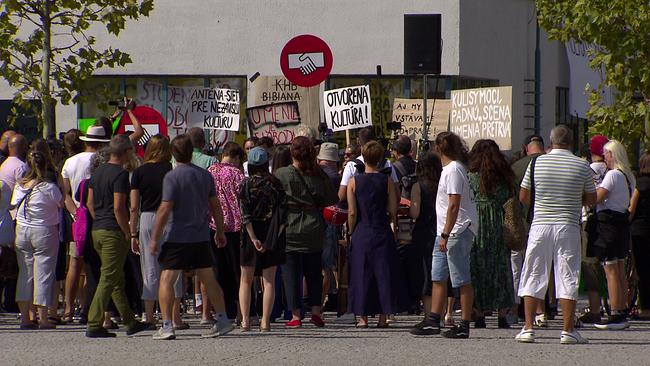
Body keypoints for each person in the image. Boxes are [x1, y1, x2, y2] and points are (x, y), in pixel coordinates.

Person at [516, 125, 596, 344]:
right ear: (571, 142)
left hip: (540, 224)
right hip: (568, 225)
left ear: (551, 142)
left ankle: (529, 327)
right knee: (568, 275)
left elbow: (524, 196)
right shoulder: (582, 165)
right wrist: (572, 200)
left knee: (533, 272)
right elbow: (591, 199)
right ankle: (568, 330)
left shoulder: (536, 163)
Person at [149, 134, 233, 340]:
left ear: (173, 153)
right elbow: (215, 206)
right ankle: (222, 319)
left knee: (167, 278)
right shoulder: (205, 175)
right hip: (200, 234)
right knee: (208, 278)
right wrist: (220, 231)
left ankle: (167, 324)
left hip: (177, 235)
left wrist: (154, 237)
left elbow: (165, 208)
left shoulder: (172, 176)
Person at [410, 132, 477, 339]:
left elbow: (454, 204)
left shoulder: (454, 170)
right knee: (438, 276)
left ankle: (465, 323)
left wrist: (446, 234)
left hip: (455, 230)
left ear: (439, 149)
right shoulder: (448, 169)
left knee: (461, 278)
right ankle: (433, 319)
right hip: (444, 232)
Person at [85, 135, 148, 338]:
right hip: (113, 230)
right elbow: (120, 207)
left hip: (98, 229)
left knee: (116, 278)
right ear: (127, 152)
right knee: (109, 277)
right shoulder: (120, 175)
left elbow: (89, 203)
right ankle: (94, 322)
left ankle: (129, 321)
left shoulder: (97, 172)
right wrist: (128, 232)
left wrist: (99, 219)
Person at [275, 136, 338, 328]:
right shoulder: (319, 174)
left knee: (291, 273)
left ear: (292, 153)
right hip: (313, 227)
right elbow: (330, 199)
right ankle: (317, 311)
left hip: (290, 227)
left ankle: (295, 315)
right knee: (314, 271)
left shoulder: (281, 174)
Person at [347, 141, 406, 327]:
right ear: (381, 159)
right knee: (383, 273)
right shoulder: (387, 181)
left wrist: (350, 230)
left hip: (362, 229)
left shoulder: (353, 181)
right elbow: (393, 209)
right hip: (381, 228)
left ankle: (362, 317)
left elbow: (352, 212)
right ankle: (383, 316)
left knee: (361, 272)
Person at [129, 135, 185, 329]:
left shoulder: (139, 172)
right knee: (173, 266)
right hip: (170, 217)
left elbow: (134, 206)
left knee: (150, 267)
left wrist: (133, 233)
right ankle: (175, 316)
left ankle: (150, 315)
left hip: (147, 218)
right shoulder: (172, 170)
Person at [61, 126, 110, 323]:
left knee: (75, 263)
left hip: (78, 216)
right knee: (94, 265)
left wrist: (74, 212)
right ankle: (88, 307)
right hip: (97, 214)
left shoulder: (70, 162)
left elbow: (64, 192)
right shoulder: (101, 161)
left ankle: (68, 307)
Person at [11, 145, 63, 329]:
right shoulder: (48, 187)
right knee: (44, 274)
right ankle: (43, 317)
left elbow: (13, 208)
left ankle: (25, 317)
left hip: (22, 230)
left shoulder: (19, 186)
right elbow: (61, 203)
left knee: (25, 274)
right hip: (44, 230)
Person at [468, 139, 515, 329]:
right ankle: (502, 314)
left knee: (478, 266)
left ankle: (479, 313)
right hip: (498, 221)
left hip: (476, 223)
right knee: (501, 266)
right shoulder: (504, 177)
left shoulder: (471, 176)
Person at [238, 146, 287, 331]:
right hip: (271, 234)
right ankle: (265, 321)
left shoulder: (245, 184)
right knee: (269, 280)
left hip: (250, 235)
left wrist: (253, 237)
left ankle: (245, 320)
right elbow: (283, 215)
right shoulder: (276, 184)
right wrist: (275, 235)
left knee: (245, 280)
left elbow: (244, 215)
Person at [592, 140, 635, 330]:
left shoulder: (612, 175)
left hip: (608, 224)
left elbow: (598, 197)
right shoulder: (627, 176)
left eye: (607, 154)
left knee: (610, 269)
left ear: (613, 155)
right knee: (619, 268)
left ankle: (615, 311)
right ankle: (622, 309)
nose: (605, 157)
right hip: (621, 224)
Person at [207, 142, 246, 320]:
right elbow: (243, 199)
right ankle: (240, 312)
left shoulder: (210, 172)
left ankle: (220, 311)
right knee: (237, 271)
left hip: (214, 225)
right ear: (237, 157)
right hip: (235, 227)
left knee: (217, 270)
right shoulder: (237, 174)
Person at [509, 134, 545, 323]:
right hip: (547, 221)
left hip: (520, 222)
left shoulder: (516, 167)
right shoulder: (551, 164)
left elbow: (516, 197)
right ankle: (542, 311)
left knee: (517, 267)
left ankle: (515, 310)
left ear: (525, 147)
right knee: (541, 268)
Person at [408, 152, 442, 326]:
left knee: (425, 274)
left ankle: (429, 314)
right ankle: (441, 313)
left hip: (423, 232)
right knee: (439, 274)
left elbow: (415, 213)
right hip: (441, 230)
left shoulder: (418, 186)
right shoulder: (443, 184)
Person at [579, 134, 609, 324]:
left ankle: (595, 307)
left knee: (589, 265)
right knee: (609, 266)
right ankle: (614, 305)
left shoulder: (587, 170)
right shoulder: (615, 171)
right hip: (609, 221)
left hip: (588, 221)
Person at [338, 127, 399, 203]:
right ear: (375, 141)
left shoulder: (351, 165)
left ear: (359, 142)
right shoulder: (387, 164)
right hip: (382, 212)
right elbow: (396, 194)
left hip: (360, 213)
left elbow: (342, 196)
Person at [317, 142, 342, 305]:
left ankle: (314, 300)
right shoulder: (337, 177)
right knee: (328, 265)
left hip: (313, 220)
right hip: (331, 221)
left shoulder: (313, 173)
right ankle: (322, 300)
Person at [629, 151, 650, 319]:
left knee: (642, 269)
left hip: (640, 230)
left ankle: (645, 308)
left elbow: (632, 208)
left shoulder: (640, 183)